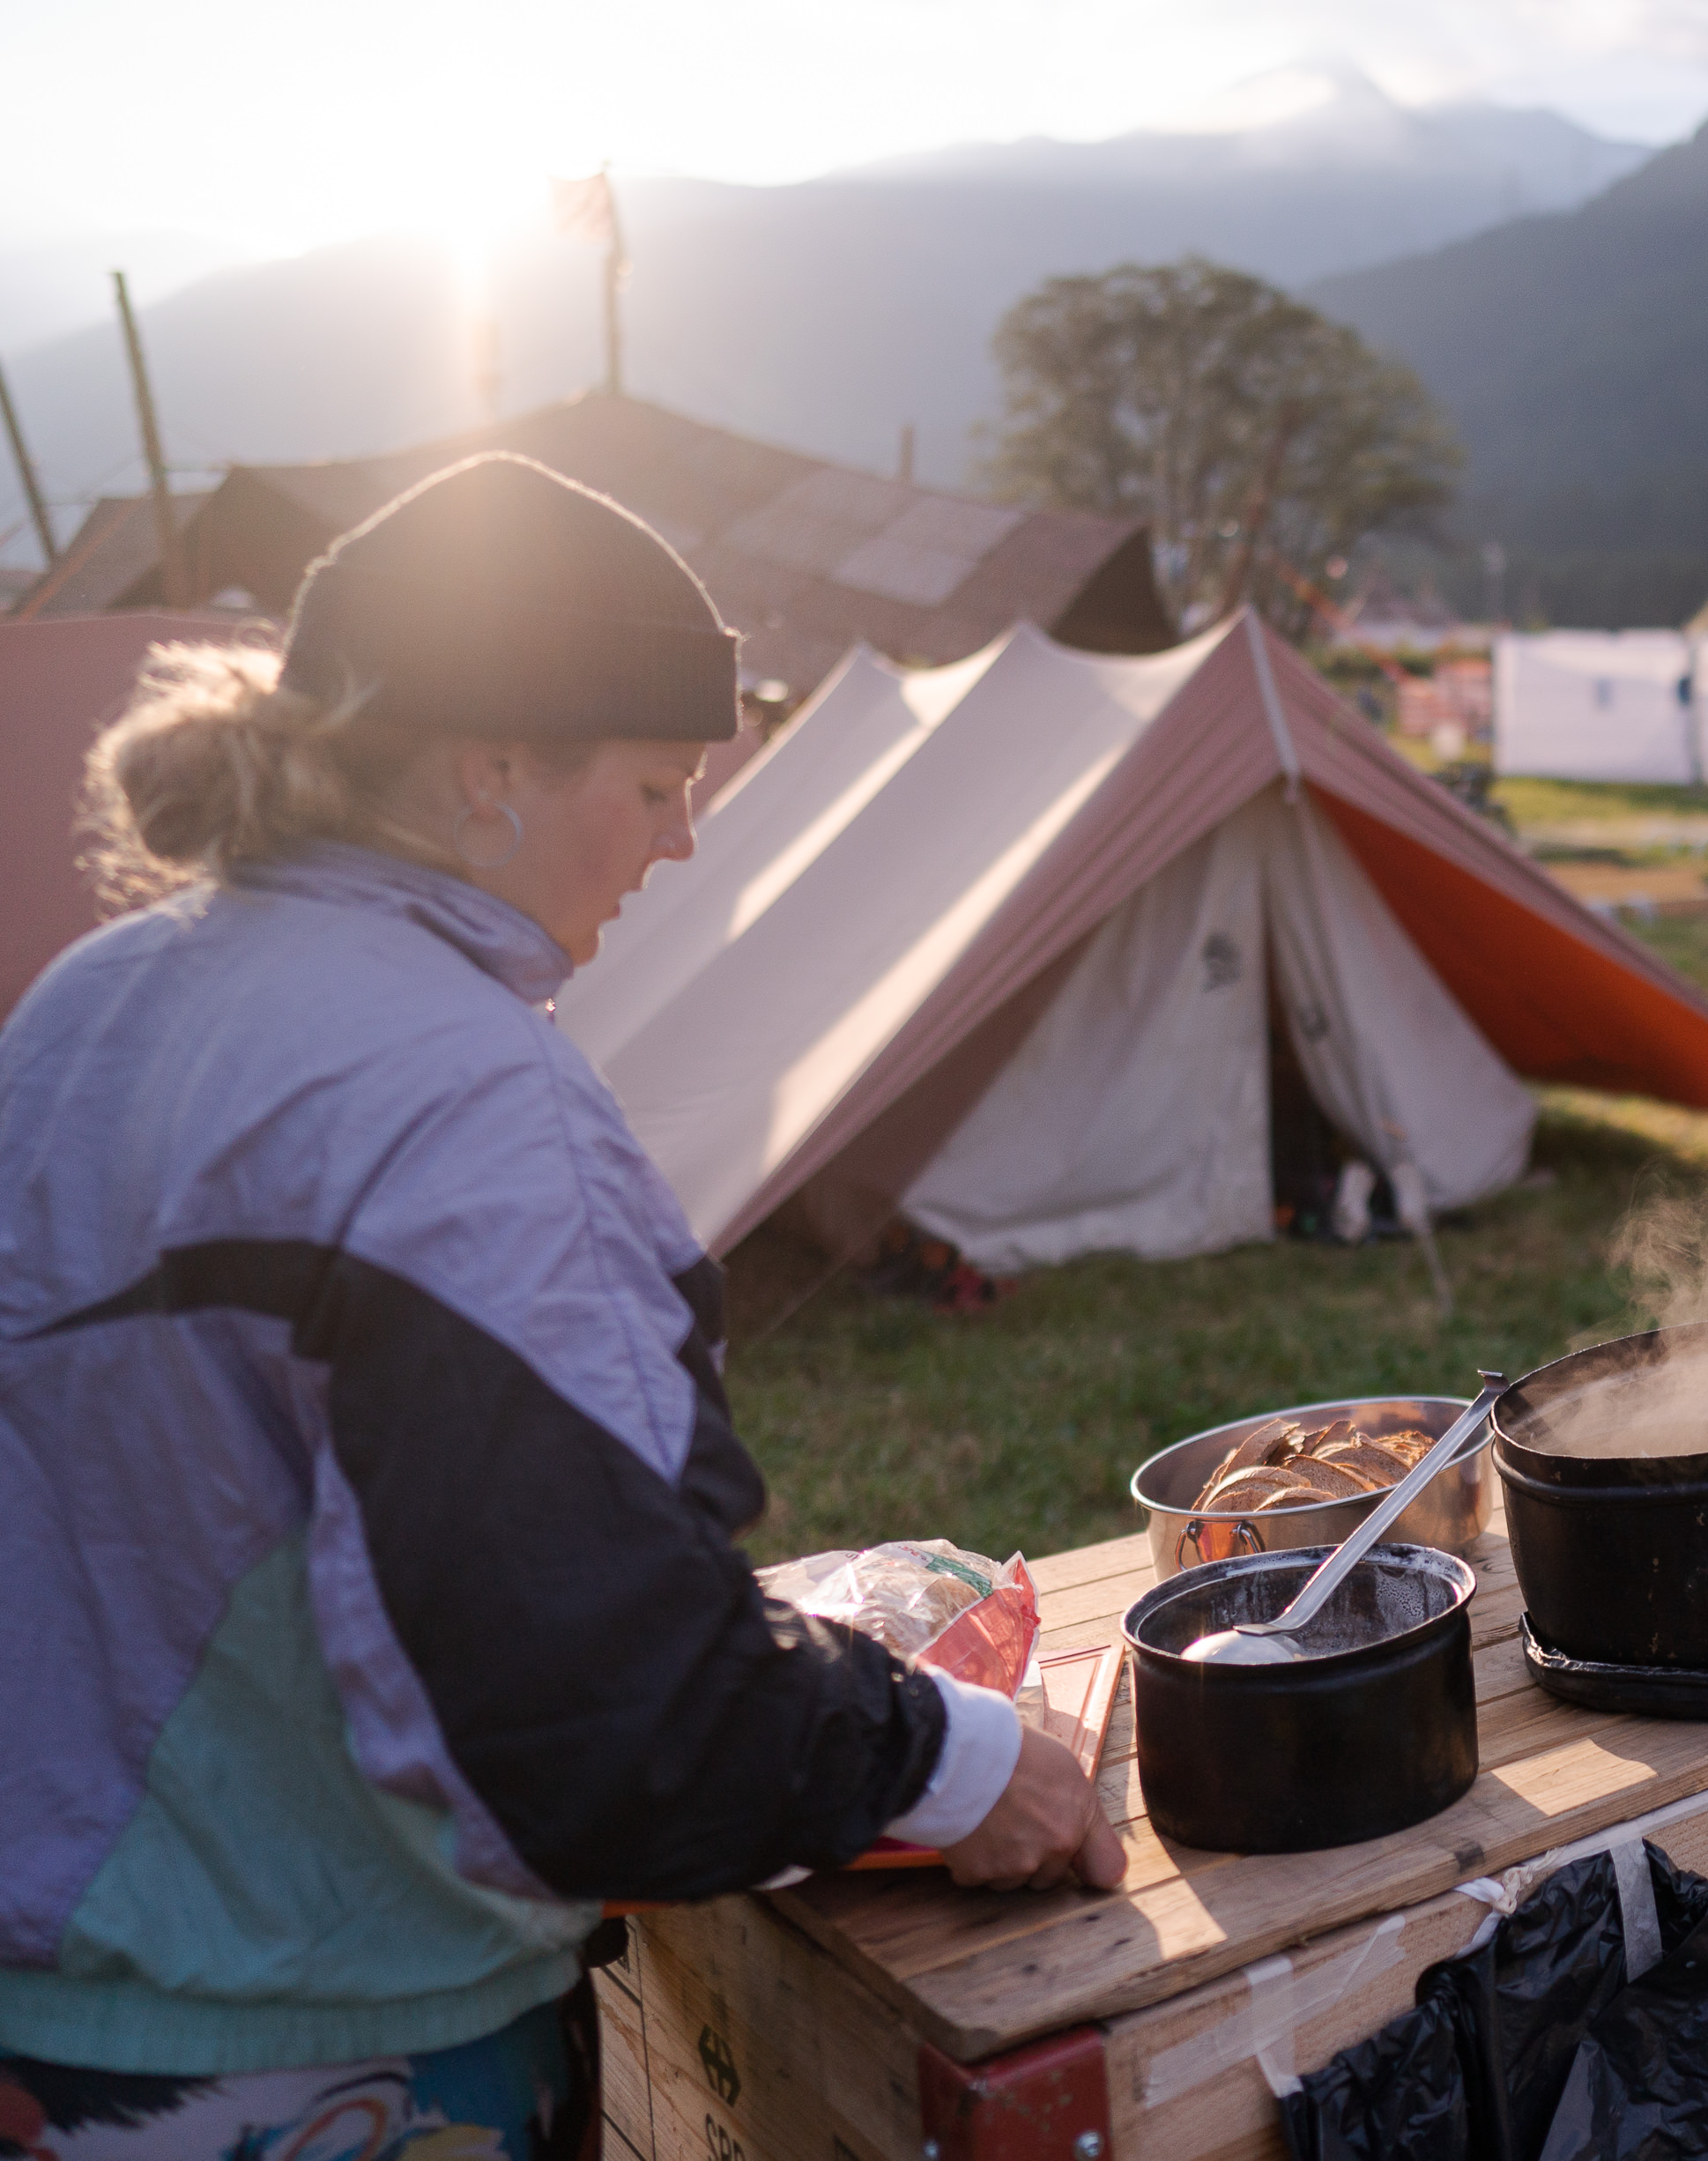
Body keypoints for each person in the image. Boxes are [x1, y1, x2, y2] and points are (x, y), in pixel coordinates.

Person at [0, 457, 1124, 2161]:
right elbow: (613, 1710)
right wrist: (964, 1764)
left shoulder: (95, 997)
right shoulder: (454, 1094)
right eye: (661, 780)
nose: (684, 836)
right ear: (495, 767)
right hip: (315, 2049)